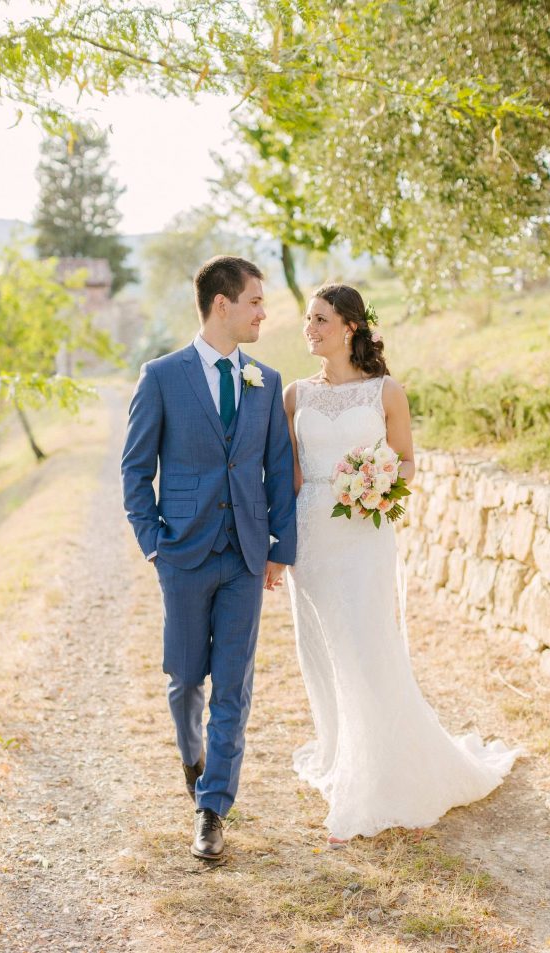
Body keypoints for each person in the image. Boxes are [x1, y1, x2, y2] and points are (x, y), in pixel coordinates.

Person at [283, 283, 520, 846]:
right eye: (307, 320)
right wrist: (282, 545)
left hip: (364, 532)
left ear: (350, 327)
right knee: (325, 653)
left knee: (368, 647)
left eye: (319, 319)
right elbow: (290, 478)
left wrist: (377, 484)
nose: (308, 329)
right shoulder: (293, 396)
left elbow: (409, 461)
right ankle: (345, 757)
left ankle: (382, 779)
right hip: (312, 536)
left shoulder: (386, 392)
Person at [121, 256, 296, 860]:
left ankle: (213, 808)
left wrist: (281, 548)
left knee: (235, 687)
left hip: (246, 555)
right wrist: (154, 544)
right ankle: (192, 757)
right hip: (184, 554)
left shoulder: (266, 382)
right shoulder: (162, 377)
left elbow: (280, 474)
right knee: (185, 677)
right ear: (221, 304)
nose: (263, 313)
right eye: (254, 302)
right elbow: (136, 470)